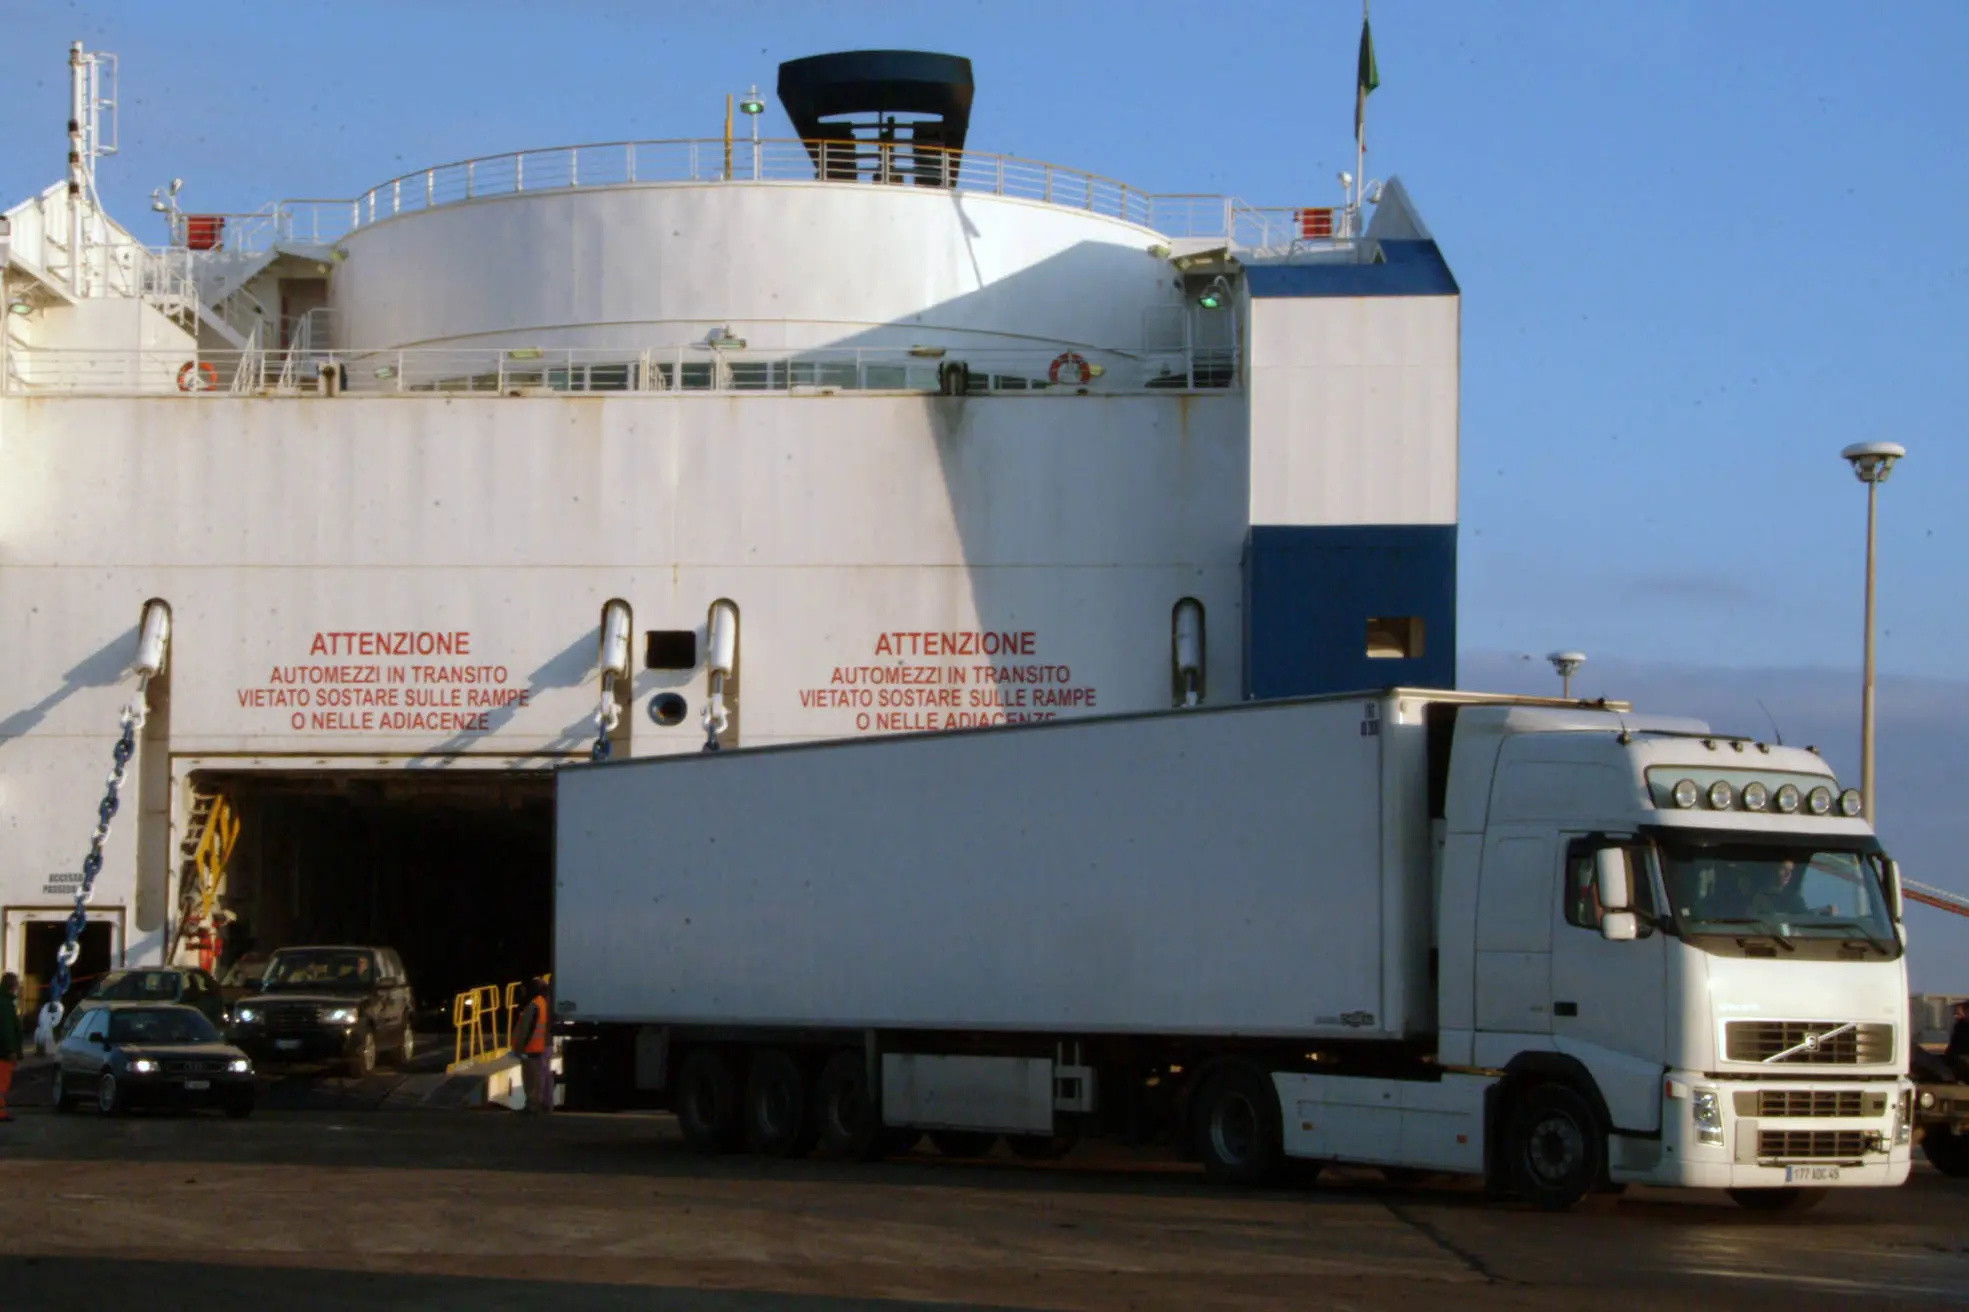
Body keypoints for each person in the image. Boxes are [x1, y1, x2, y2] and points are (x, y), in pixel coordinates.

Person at [510, 976, 552, 1115]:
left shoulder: (533, 1005)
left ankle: (533, 1105)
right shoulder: (543, 1003)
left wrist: (520, 1048)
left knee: (530, 1078)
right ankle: (539, 1104)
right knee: (539, 1077)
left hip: (530, 1048)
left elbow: (526, 1029)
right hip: (537, 1047)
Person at [0, 972, 24, 1123]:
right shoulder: (6, 1005)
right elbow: (7, 1030)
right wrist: (11, 1051)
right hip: (3, 1053)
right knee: (2, 1084)